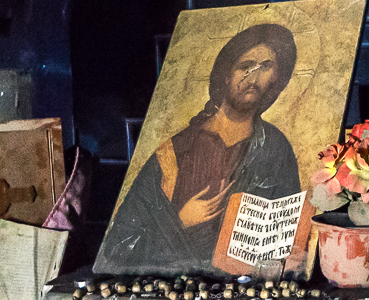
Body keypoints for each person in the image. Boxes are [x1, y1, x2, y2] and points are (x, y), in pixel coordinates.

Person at [98, 24, 301, 274]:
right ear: (226, 75)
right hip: (176, 285)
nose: (253, 78)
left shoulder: (275, 148)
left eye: (266, 67)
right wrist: (180, 221)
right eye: (245, 66)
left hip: (244, 285)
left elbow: (288, 237)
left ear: (275, 79)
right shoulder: (173, 153)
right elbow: (119, 247)